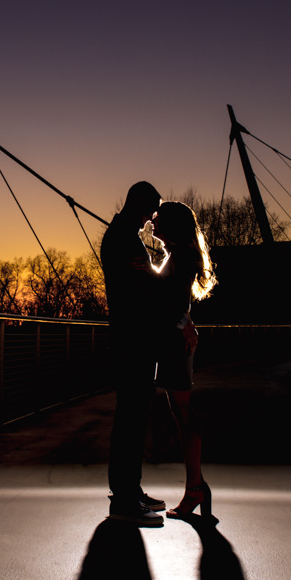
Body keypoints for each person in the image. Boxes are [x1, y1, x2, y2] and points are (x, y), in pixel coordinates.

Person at [101, 181, 168, 526]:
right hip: (132, 340)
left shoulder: (123, 235)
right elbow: (138, 290)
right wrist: (161, 281)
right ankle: (125, 499)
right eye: (152, 208)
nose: (153, 216)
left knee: (136, 417)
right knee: (130, 417)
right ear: (140, 202)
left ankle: (131, 490)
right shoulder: (121, 238)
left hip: (133, 339)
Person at [150, 200, 217, 521]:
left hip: (176, 344)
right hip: (175, 340)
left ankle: (195, 489)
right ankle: (197, 487)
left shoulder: (183, 256)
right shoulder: (178, 255)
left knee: (185, 414)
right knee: (181, 413)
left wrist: (184, 325)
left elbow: (172, 302)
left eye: (158, 219)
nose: (152, 223)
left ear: (173, 225)